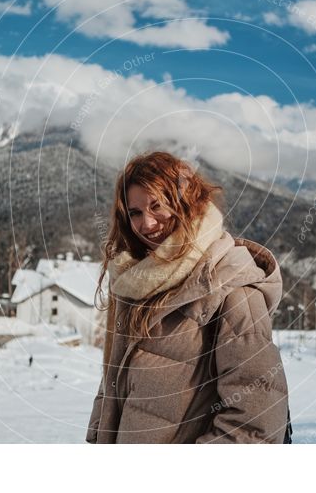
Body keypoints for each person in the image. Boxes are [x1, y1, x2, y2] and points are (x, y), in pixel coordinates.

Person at [85, 151, 290, 444]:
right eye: (135, 213)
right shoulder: (135, 281)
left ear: (186, 204)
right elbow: (114, 388)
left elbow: (255, 421)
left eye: (158, 206)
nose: (147, 224)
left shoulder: (229, 282)